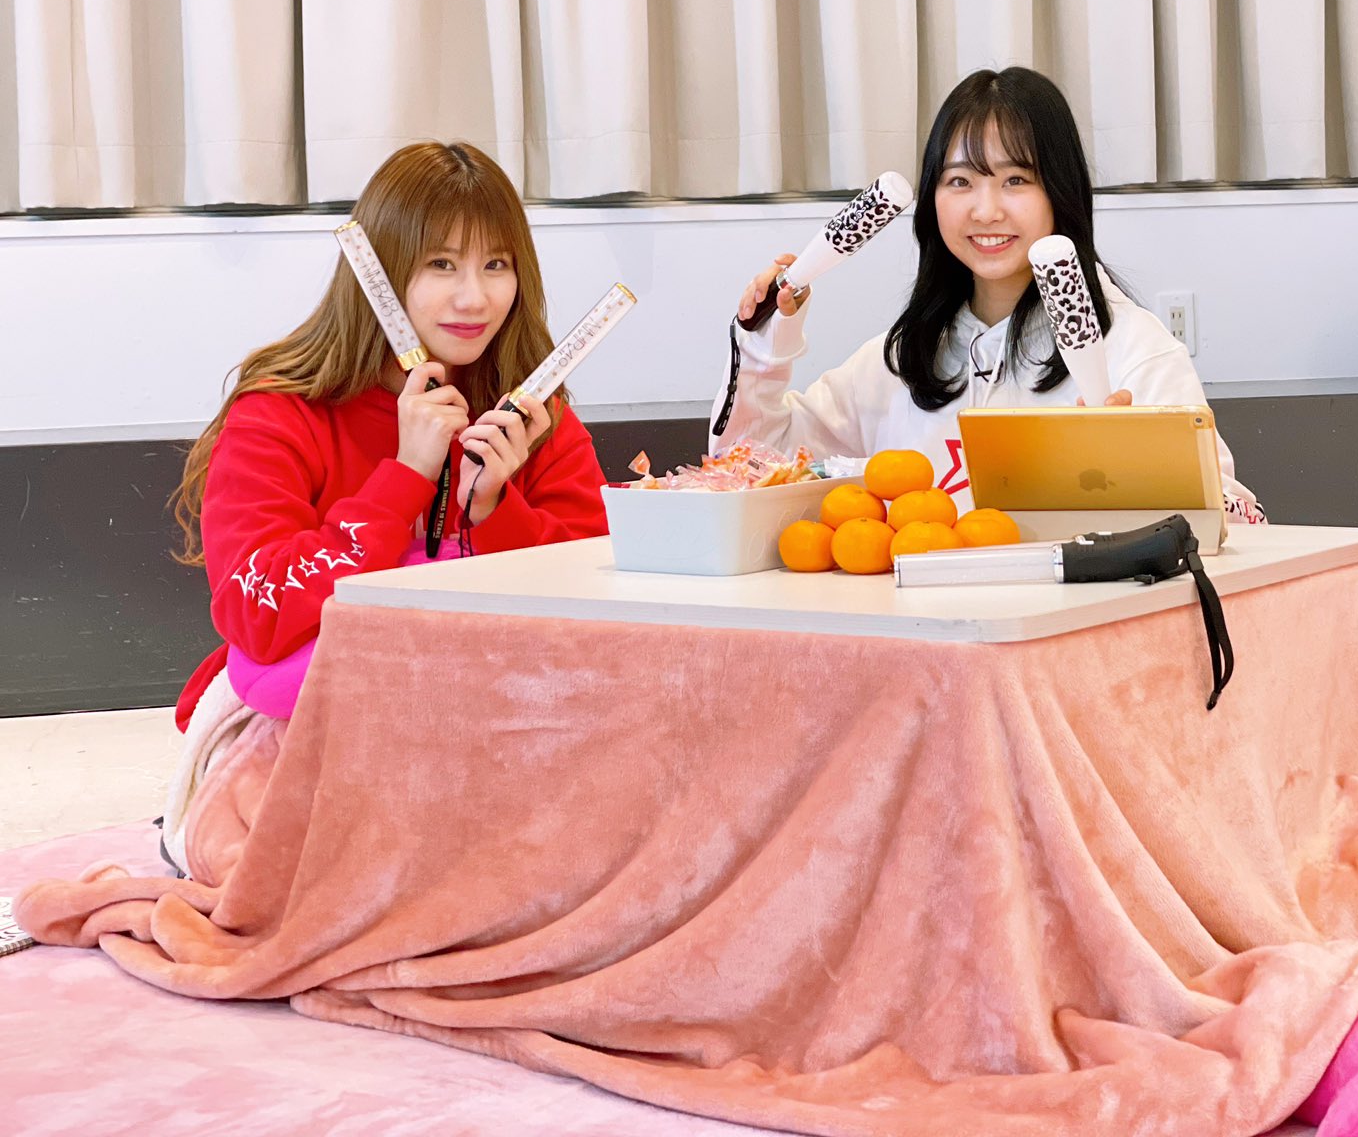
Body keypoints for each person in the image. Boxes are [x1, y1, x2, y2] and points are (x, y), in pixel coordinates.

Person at [170, 140, 608, 734]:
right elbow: (256, 613)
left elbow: (601, 614)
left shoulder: (534, 415)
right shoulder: (279, 411)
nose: (474, 299)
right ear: (378, 271)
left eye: (496, 265)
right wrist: (404, 479)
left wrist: (494, 511)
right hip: (320, 717)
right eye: (441, 264)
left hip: (507, 719)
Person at [710, 65, 1263, 521]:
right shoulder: (899, 360)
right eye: (960, 181)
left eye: (1015, 180)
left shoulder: (1133, 349)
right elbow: (751, 468)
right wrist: (765, 345)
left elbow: (1236, 516)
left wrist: (1139, 465)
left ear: (1060, 190)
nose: (986, 210)